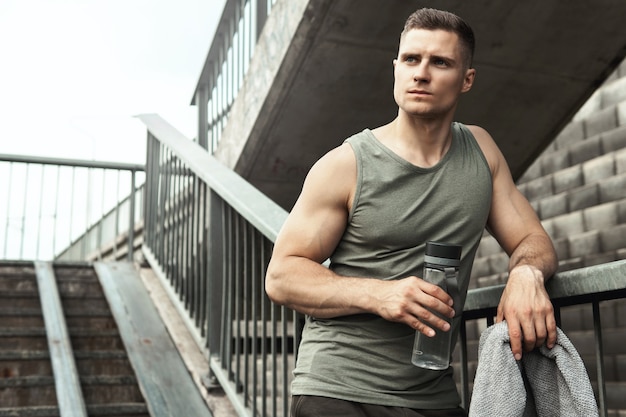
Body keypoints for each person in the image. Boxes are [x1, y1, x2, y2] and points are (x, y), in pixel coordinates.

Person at [265, 7, 558, 417]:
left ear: (466, 79)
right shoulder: (347, 164)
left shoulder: (482, 153)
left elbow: (533, 240)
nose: (421, 73)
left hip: (433, 395)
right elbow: (282, 277)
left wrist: (527, 274)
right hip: (338, 390)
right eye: (410, 59)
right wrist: (381, 293)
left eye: (440, 62)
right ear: (396, 69)